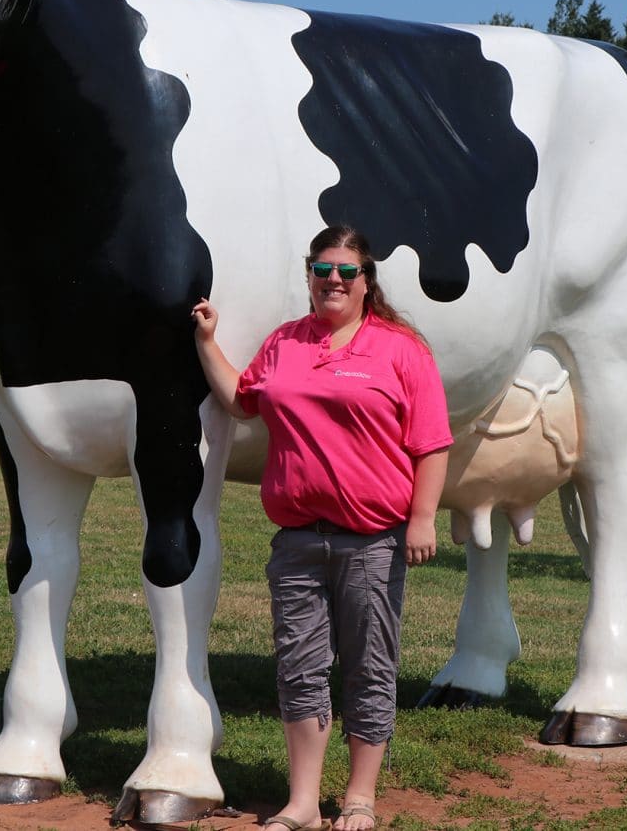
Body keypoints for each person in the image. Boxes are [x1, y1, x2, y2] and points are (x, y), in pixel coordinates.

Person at [192, 224, 452, 831]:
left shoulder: (401, 349)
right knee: (300, 670)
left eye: (345, 271)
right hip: (298, 542)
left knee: (369, 666)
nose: (332, 279)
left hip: (372, 541)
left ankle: (359, 797)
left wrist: (421, 518)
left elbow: (432, 443)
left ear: (367, 282)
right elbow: (241, 399)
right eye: (321, 268)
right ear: (309, 275)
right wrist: (207, 341)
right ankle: (304, 804)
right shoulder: (286, 342)